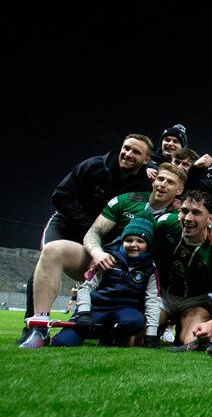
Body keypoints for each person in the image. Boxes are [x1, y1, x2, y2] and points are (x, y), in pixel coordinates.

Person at [21, 163, 187, 349]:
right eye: (160, 179)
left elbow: (200, 230)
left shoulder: (177, 217)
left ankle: (105, 328)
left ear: (179, 190)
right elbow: (93, 233)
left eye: (170, 182)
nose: (162, 184)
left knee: (131, 338)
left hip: (136, 283)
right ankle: (39, 328)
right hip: (103, 266)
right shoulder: (126, 200)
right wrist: (97, 253)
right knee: (53, 250)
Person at [18, 134, 154, 344]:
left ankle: (104, 325)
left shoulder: (144, 183)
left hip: (100, 235)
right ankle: (34, 326)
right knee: (47, 258)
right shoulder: (94, 166)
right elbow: (60, 195)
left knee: (109, 270)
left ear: (146, 159)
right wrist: (90, 230)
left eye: (136, 152)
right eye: (126, 148)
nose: (127, 154)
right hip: (67, 225)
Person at [51, 218, 160, 348]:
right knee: (63, 343)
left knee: (135, 322)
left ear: (148, 244)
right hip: (96, 307)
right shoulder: (107, 259)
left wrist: (150, 337)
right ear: (122, 241)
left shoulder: (150, 269)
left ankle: (108, 335)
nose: (133, 245)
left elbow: (152, 301)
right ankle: (83, 331)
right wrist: (84, 313)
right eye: (128, 240)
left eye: (140, 241)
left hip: (125, 310)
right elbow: (86, 288)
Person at [153, 190, 212, 351]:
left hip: (195, 300)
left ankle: (179, 329)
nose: (188, 218)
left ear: (210, 219)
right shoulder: (165, 224)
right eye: (184, 211)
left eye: (196, 213)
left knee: (191, 341)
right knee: (135, 335)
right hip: (162, 294)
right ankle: (161, 327)